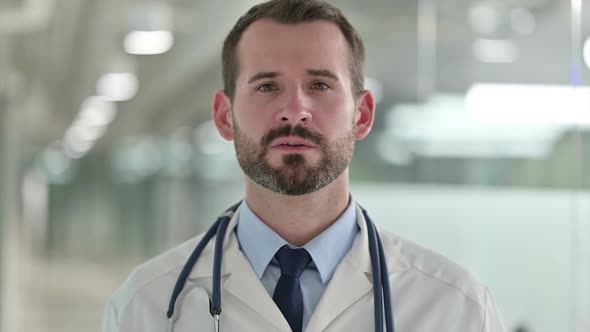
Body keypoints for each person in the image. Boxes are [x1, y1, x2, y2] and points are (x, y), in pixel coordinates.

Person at [102, 0, 506, 331]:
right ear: (225, 116)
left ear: (362, 115)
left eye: (320, 85)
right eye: (267, 86)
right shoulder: (145, 308)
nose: (294, 111)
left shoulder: (458, 310)